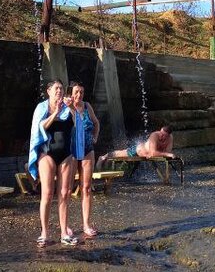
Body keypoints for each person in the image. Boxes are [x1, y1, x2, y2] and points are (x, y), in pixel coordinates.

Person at [27, 80, 84, 247]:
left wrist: (71, 108)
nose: (59, 91)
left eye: (61, 88)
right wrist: (55, 113)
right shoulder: (42, 107)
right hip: (47, 153)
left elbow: (78, 124)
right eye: (56, 88)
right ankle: (44, 233)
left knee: (65, 193)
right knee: (47, 193)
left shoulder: (68, 107)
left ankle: (64, 233)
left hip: (66, 154)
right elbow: (40, 127)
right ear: (49, 91)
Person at [65, 80, 100, 238]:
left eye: (81, 92)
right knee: (67, 189)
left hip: (87, 149)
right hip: (71, 150)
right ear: (70, 93)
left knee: (86, 187)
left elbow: (96, 123)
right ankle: (65, 225)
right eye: (76, 92)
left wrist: (95, 137)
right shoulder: (66, 106)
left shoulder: (87, 106)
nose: (79, 95)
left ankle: (86, 224)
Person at [99, 125, 175, 164]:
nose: (161, 136)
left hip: (145, 153)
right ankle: (103, 157)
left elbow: (167, 151)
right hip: (138, 150)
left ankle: (106, 159)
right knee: (121, 153)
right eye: (160, 133)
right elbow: (155, 153)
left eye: (163, 135)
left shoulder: (170, 138)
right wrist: (167, 154)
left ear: (168, 135)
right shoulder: (154, 135)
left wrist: (164, 154)